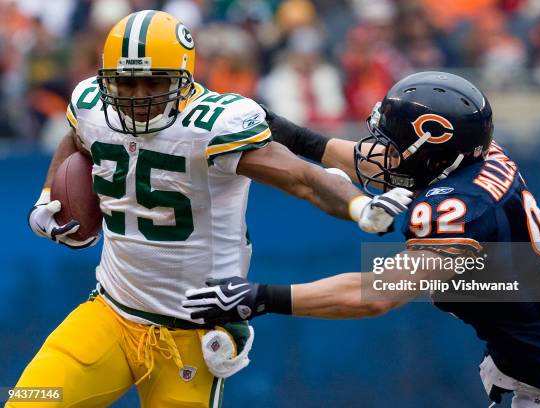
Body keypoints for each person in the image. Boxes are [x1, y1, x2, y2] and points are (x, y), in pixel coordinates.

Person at [15, 10, 412, 408]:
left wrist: (360, 206)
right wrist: (46, 196)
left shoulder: (211, 125)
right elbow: (77, 136)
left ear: (184, 79)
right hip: (111, 311)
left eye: (152, 82)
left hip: (191, 332)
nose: (136, 96)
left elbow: (300, 177)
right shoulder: (93, 105)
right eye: (125, 82)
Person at [185, 72, 540, 407]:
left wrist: (261, 296)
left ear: (432, 151)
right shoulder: (476, 159)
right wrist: (282, 129)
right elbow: (373, 163)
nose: (377, 151)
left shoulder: (457, 209)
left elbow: (377, 294)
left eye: (392, 144)